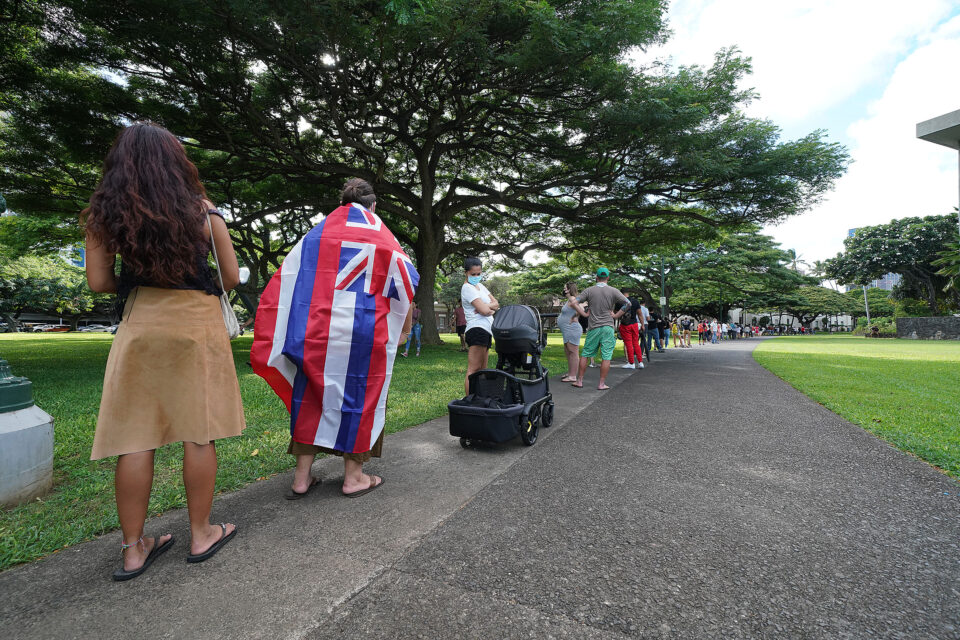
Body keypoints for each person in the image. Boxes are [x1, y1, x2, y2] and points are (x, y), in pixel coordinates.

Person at [84, 123, 245, 580]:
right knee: (199, 432)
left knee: (135, 437)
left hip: (141, 325)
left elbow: (99, 283)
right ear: (178, 162)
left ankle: (134, 550)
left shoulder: (104, 214)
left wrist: (143, 282)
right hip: (197, 325)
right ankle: (201, 533)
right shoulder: (204, 212)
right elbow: (230, 278)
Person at [251, 178, 416, 500]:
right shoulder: (383, 236)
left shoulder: (317, 234)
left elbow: (290, 277)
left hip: (316, 329)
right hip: (365, 331)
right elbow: (404, 281)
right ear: (373, 204)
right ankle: (354, 477)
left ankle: (301, 478)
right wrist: (404, 330)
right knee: (362, 397)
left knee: (309, 395)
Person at [568, 268, 628, 390]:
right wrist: (616, 315)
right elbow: (628, 303)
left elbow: (573, 302)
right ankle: (601, 384)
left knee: (585, 354)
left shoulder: (589, 290)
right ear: (608, 278)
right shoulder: (613, 291)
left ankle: (579, 381)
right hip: (608, 327)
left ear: (596, 277)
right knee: (606, 356)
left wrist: (584, 314)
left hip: (594, 327)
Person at [461, 256, 499, 395]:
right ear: (466, 272)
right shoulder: (467, 288)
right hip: (477, 329)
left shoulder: (480, 286)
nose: (476, 276)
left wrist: (486, 306)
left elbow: (496, 304)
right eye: (473, 274)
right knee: (473, 369)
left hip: (486, 330)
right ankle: (469, 401)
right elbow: (484, 311)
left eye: (479, 273)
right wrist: (486, 308)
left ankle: (479, 399)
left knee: (483, 369)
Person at [558, 282, 586, 381]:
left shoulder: (573, 299)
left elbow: (582, 309)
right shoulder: (569, 299)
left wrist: (575, 317)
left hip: (572, 329)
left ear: (569, 289)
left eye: (565, 288)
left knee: (573, 352)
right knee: (568, 352)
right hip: (567, 330)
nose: (564, 290)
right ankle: (570, 373)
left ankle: (573, 376)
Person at [616, 290, 644, 370]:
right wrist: (642, 325)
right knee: (636, 343)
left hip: (625, 325)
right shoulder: (635, 301)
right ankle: (640, 362)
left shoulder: (619, 302)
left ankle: (631, 363)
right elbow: (640, 314)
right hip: (634, 324)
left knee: (628, 344)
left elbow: (616, 314)